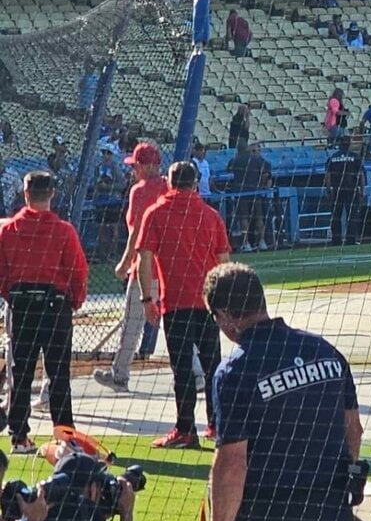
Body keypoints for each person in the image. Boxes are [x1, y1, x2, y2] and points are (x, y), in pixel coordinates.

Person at [205, 263, 366, 521]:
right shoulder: (326, 351)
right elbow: (353, 430)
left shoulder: (234, 371)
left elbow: (232, 462)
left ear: (224, 315)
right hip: (330, 515)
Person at [138, 161, 231, 449]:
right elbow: (224, 261)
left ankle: (186, 429)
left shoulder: (155, 213)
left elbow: (144, 259)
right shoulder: (210, 214)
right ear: (195, 182)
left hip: (176, 302)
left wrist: (146, 299)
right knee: (214, 366)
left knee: (182, 370)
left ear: (168, 181)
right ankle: (218, 425)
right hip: (207, 302)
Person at [0, 172, 88, 454]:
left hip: (22, 306)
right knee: (58, 374)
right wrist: (73, 301)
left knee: (20, 372)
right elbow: (78, 271)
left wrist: (11, 298)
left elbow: (2, 274)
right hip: (54, 307)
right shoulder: (63, 230)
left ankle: (19, 436)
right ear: (52, 193)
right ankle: (65, 437)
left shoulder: (9, 230)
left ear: (26, 194)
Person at [92, 144, 170, 394]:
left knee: (132, 324)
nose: (133, 170)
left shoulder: (140, 191)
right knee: (176, 321)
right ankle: (198, 374)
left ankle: (120, 375)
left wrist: (125, 263)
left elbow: (137, 233)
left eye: (136, 165)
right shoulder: (171, 186)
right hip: (170, 268)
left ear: (148, 166)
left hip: (145, 268)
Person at [226, 141, 272, 253]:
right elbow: (264, 173)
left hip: (241, 193)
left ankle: (246, 244)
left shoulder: (235, 159)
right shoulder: (256, 159)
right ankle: (262, 242)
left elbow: (228, 169)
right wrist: (261, 185)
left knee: (244, 218)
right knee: (259, 217)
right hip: (255, 191)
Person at [325, 135, 365, 246]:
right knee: (352, 215)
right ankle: (351, 239)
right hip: (351, 189)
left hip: (337, 189)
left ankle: (336, 240)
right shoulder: (355, 157)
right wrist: (362, 190)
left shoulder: (333, 158)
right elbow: (361, 175)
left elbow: (328, 176)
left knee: (336, 216)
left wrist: (328, 190)